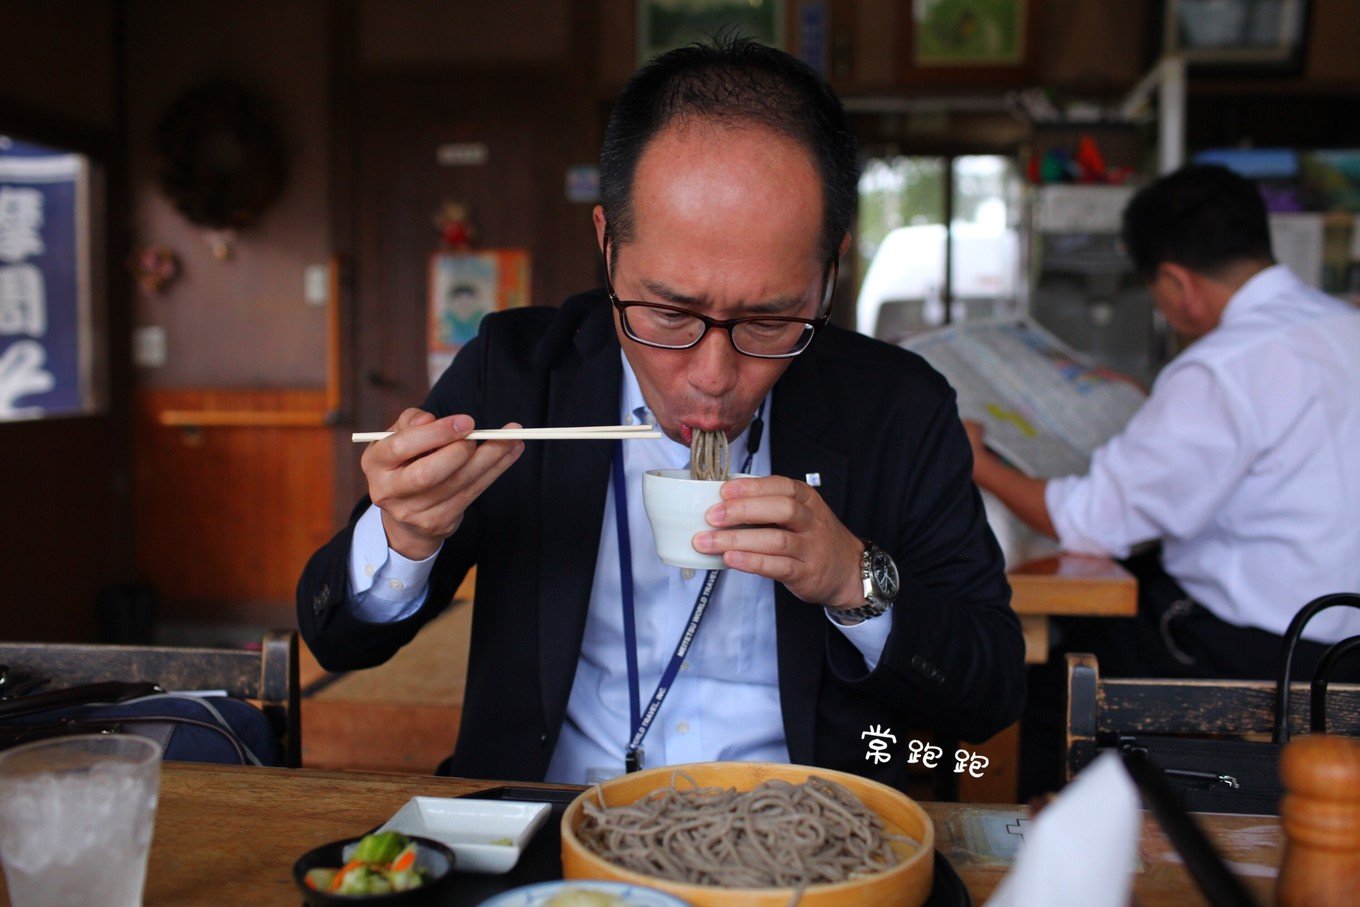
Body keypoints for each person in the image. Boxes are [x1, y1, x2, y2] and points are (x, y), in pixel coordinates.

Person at [299, 37, 1025, 789]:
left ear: (830, 271)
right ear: (607, 243)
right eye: (670, 313)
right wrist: (404, 534)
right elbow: (338, 638)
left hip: (812, 834)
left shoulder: (896, 407)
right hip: (556, 820)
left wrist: (853, 578)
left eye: (770, 321)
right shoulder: (518, 375)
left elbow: (992, 690)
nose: (713, 377)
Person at [967, 163, 1360, 794]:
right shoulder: (1344, 326)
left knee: (1038, 686)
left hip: (1257, 657)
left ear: (1177, 283)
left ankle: (1028, 849)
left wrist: (976, 460)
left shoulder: (1220, 368)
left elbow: (1087, 523)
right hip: (1348, 644)